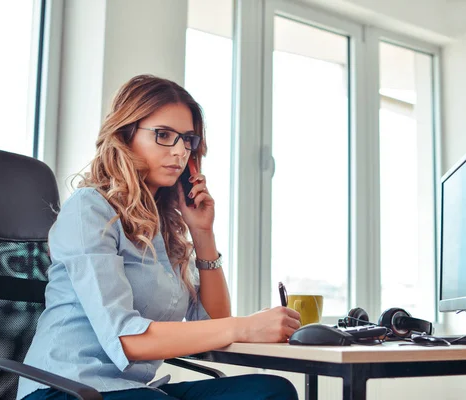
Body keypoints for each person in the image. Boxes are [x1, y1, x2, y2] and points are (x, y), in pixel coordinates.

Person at [17, 75, 301, 400]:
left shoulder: (166, 230)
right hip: (64, 389)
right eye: (164, 135)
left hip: (133, 391)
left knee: (269, 391)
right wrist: (245, 326)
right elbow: (127, 339)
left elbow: (214, 322)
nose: (180, 151)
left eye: (188, 140)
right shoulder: (89, 209)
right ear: (125, 135)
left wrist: (203, 232)